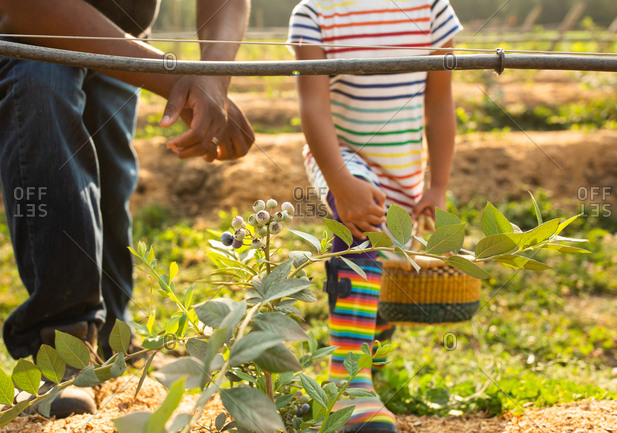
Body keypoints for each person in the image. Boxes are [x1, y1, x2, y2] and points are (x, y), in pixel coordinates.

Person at [0, 0, 253, 417]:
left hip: (124, 35)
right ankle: (63, 345)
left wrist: (214, 73)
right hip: (35, 32)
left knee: (109, 183)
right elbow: (27, 7)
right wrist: (178, 79)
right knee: (45, 106)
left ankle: (116, 337)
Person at [288, 1, 462, 431]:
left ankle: (366, 361)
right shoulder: (314, 13)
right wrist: (342, 180)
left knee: (379, 271)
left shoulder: (433, 9)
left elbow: (439, 102)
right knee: (360, 234)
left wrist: (436, 185)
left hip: (402, 165)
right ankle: (349, 385)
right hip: (341, 158)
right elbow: (314, 107)